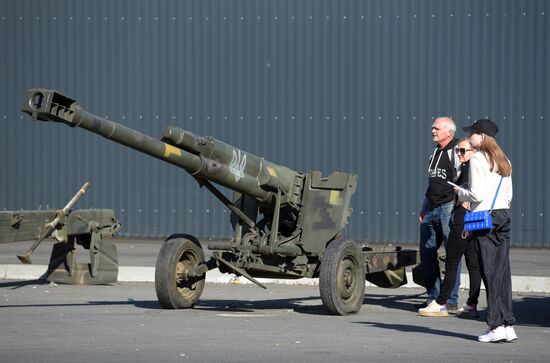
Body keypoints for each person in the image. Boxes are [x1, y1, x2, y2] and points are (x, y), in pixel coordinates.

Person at [456, 119, 517, 343]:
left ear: (482, 136)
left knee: (489, 272)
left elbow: (476, 195)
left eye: (472, 134)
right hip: (503, 215)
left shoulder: (479, 158)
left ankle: (495, 325)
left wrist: (460, 193)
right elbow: (509, 195)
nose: (469, 138)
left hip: (485, 219)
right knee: (502, 273)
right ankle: (508, 324)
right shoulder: (505, 160)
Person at [418, 138, 482, 317]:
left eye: (462, 150)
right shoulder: (439, 154)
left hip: (460, 214)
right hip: (463, 213)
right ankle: (471, 305)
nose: (459, 153)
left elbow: (476, 192)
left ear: (473, 151)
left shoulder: (473, 166)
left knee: (454, 261)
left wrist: (462, 195)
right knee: (472, 262)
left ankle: (443, 302)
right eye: (458, 151)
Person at [418, 117, 462, 311]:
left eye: (437, 128)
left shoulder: (456, 151)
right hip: (431, 210)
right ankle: (434, 297)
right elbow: (431, 185)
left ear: (449, 132)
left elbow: (463, 182)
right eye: (432, 127)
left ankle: (450, 300)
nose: (433, 130)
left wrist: (459, 206)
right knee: (427, 253)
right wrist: (424, 207)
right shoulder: (435, 152)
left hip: (448, 208)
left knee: (452, 255)